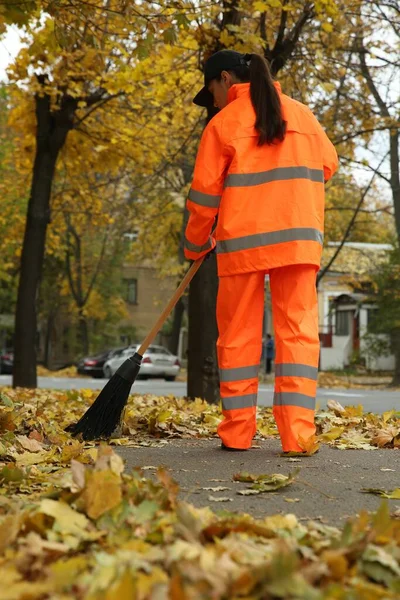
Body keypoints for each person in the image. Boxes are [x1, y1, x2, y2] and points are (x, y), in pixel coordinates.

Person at [183, 50, 338, 453]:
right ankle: (298, 437)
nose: (212, 99)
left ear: (223, 79)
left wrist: (195, 243)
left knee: (237, 338)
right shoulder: (303, 115)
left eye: (211, 91)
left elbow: (203, 198)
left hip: (242, 245)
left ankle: (237, 433)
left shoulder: (223, 124)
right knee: (299, 339)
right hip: (299, 242)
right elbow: (328, 164)